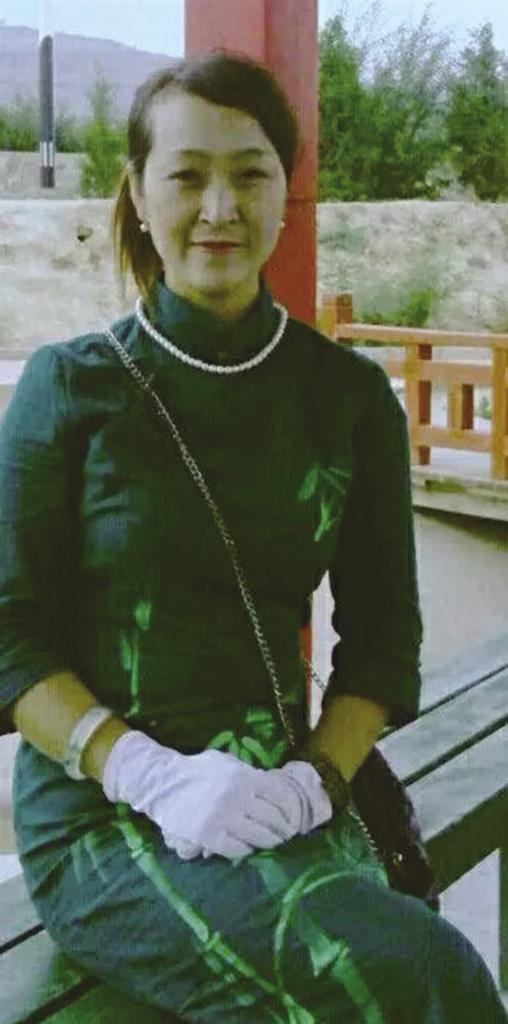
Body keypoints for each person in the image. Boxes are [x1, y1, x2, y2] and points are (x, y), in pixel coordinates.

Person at [0, 51, 505, 1024]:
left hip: (284, 795)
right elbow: (10, 637)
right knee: (412, 974)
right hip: (107, 815)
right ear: (138, 194)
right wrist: (145, 771)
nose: (219, 208)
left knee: (399, 967)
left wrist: (314, 784)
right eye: (187, 175)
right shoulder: (69, 388)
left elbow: (382, 643)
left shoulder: (347, 397)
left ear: (285, 194)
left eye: (249, 173)